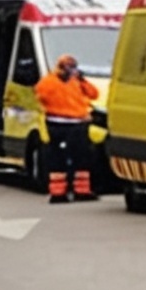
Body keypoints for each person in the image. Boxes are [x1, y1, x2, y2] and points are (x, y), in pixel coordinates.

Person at [34, 53, 101, 204]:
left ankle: (82, 191)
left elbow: (94, 94)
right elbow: (41, 95)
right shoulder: (48, 82)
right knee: (57, 160)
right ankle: (58, 193)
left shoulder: (77, 81)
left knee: (82, 158)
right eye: (68, 68)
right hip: (57, 124)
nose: (70, 71)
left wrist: (82, 80)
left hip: (78, 124)